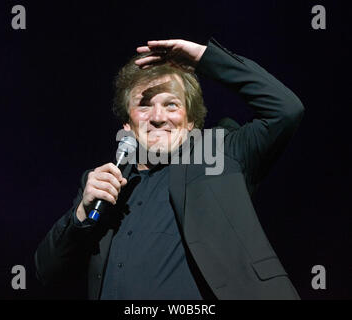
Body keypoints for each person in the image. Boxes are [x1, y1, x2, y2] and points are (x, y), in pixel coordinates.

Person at [35, 37, 304, 300]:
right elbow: (46, 271)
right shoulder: (105, 183)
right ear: (126, 125)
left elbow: (285, 109)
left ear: (191, 122)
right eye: (144, 105)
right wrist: (81, 214)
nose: (158, 117)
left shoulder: (220, 155)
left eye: (171, 104)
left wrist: (204, 58)